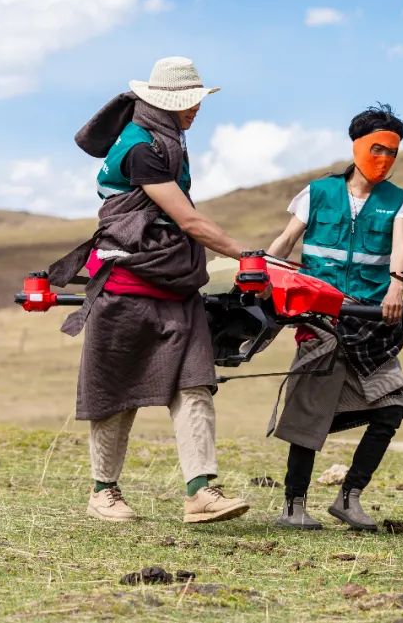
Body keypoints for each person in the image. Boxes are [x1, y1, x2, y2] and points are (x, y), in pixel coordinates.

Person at [48, 56, 259, 524]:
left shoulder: (168, 141)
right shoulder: (141, 148)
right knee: (115, 391)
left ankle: (201, 492)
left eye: (198, 99)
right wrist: (245, 253)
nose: (196, 108)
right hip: (127, 286)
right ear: (162, 102)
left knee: (195, 384)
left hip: (176, 287)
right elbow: (188, 220)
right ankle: (103, 492)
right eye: (188, 101)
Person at [264, 104, 403, 531]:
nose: (384, 158)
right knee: (308, 417)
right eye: (377, 148)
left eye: (392, 152)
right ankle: (293, 507)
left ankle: (349, 498)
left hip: (372, 327)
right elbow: (285, 241)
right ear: (357, 147)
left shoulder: (399, 201)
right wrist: (261, 274)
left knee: (391, 409)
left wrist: (396, 289)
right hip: (321, 323)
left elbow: (401, 248)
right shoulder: (316, 193)